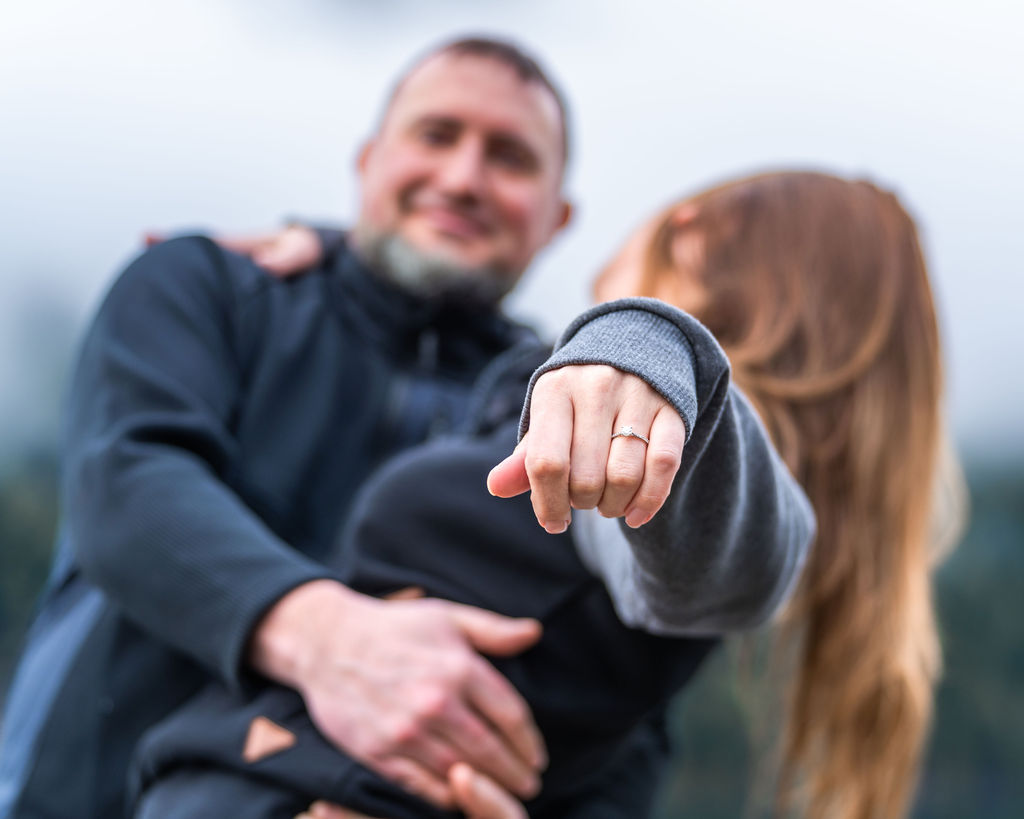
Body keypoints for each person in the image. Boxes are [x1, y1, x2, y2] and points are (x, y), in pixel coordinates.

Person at [0, 36, 681, 818]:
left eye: (510, 158)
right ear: (367, 161)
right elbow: (127, 481)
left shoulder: (548, 406)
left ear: (558, 217)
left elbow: (625, 689)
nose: (462, 178)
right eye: (436, 135)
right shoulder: (203, 287)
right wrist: (328, 638)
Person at [161, 170, 957, 819]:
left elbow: (729, 559)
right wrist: (341, 258)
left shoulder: (665, 465)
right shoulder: (549, 397)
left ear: (693, 233)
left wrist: (650, 349)